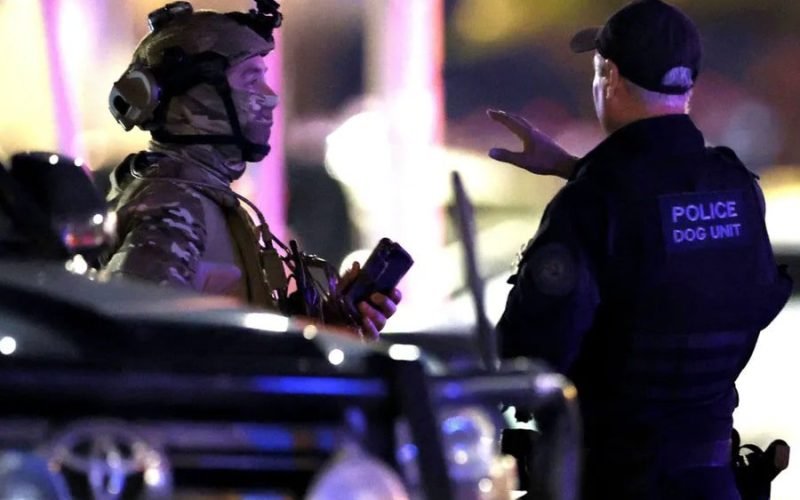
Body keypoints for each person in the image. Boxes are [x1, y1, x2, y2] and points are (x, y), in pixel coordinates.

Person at [488, 1, 792, 498]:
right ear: (688, 85)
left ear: (608, 75)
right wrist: (576, 169)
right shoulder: (736, 188)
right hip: (714, 480)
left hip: (612, 477)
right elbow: (661, 213)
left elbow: (530, 354)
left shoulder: (589, 206)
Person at [103, 1, 399, 338]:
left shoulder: (200, 197)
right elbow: (138, 343)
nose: (269, 97)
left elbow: (221, 324)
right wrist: (302, 337)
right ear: (201, 96)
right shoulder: (171, 205)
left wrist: (322, 323)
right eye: (251, 79)